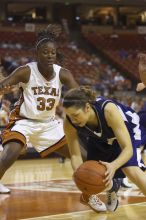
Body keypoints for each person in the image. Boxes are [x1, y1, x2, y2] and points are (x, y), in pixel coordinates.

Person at [0, 24, 79, 194]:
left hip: (49, 125)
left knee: (79, 154)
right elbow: (4, 85)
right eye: (45, 52)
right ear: (37, 54)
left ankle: (93, 189)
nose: (50, 55)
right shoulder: (25, 71)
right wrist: (3, 87)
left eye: (53, 52)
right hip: (23, 122)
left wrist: (82, 101)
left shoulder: (63, 73)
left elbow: (78, 94)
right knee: (8, 156)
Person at [63, 86, 146, 212]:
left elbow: (127, 149)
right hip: (98, 136)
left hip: (127, 129)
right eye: (69, 116)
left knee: (130, 169)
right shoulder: (69, 122)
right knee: (93, 174)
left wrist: (113, 166)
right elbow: (75, 156)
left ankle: (112, 184)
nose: (73, 120)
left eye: (76, 115)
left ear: (87, 107)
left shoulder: (108, 110)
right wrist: (81, 177)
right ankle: (112, 189)